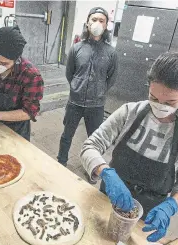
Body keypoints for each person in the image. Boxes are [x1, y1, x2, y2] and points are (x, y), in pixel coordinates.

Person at [80, 44, 178, 242]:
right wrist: (105, 172)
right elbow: (90, 147)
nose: (160, 107)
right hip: (109, 199)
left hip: (149, 213)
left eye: (170, 103)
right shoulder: (128, 113)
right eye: (153, 97)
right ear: (149, 85)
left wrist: (171, 206)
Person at [57, 7, 118, 174]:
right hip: (74, 102)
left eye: (101, 20)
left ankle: (92, 168)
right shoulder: (77, 48)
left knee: (94, 140)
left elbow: (111, 79)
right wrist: (77, 86)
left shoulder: (111, 53)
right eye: (94, 19)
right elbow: (70, 73)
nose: (97, 23)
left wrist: (99, 91)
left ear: (106, 25)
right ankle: (61, 161)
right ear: (87, 23)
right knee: (66, 135)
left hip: (96, 106)